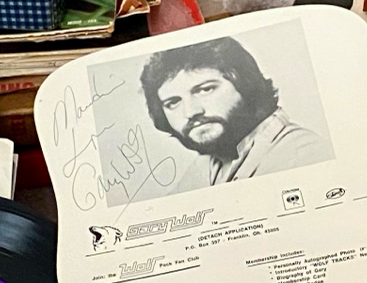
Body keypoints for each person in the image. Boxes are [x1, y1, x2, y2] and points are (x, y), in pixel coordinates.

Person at [139, 36, 330, 190]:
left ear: (245, 84)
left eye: (205, 89)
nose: (191, 112)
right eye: (173, 102)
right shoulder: (210, 163)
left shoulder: (301, 154)